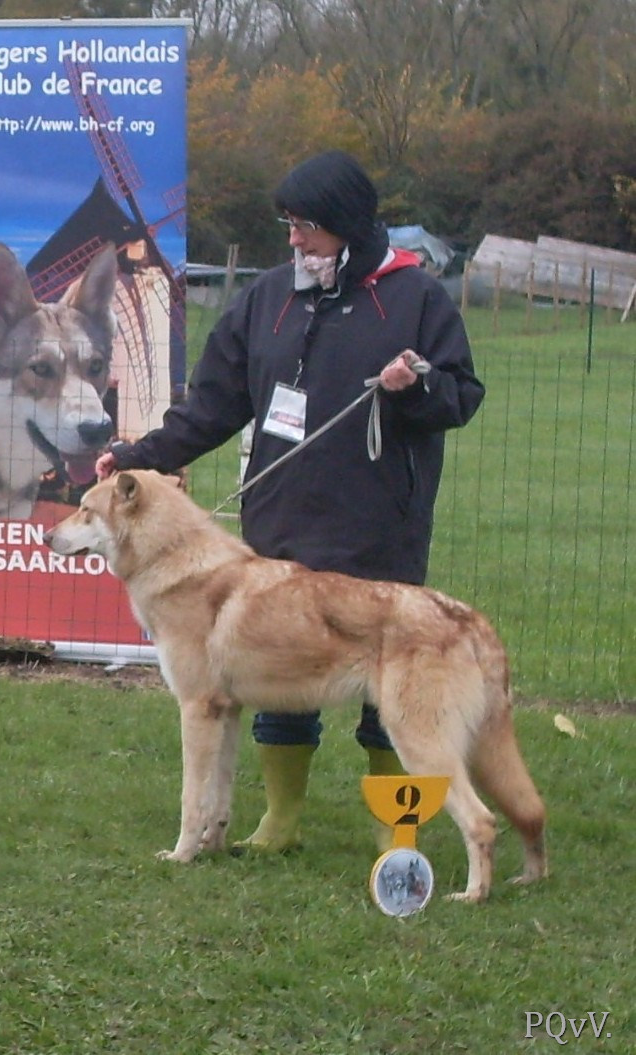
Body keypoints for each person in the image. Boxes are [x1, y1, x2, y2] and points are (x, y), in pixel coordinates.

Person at [94, 150, 484, 852]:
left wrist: (414, 387)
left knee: (389, 691)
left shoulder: (416, 297)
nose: (294, 239)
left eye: (306, 225)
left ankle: (395, 826)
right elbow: (212, 404)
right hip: (281, 525)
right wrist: (138, 458)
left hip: (377, 531)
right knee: (274, 679)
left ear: (347, 224)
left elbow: (461, 395)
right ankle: (281, 818)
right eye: (288, 225)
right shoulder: (267, 298)